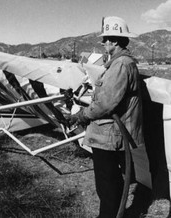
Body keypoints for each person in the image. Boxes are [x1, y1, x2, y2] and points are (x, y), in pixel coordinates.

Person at [66, 16, 145, 218]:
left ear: (115, 41)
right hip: (108, 133)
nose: (103, 43)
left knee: (107, 183)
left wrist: (81, 116)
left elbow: (106, 103)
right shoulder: (118, 64)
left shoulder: (120, 66)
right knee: (111, 181)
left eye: (106, 39)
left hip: (109, 135)